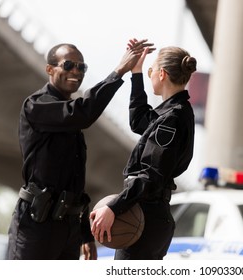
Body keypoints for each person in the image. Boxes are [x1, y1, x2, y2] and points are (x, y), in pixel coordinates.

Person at [7, 39, 154, 260]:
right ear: (50, 69)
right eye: (68, 65)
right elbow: (84, 112)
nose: (76, 71)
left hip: (68, 230)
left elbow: (74, 185)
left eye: (81, 67)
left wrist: (85, 235)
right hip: (36, 226)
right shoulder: (36, 105)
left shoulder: (71, 123)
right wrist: (120, 70)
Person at [90, 43, 197, 260]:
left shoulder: (172, 119)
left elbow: (151, 175)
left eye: (150, 72)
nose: (150, 77)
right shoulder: (172, 113)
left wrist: (114, 207)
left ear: (161, 74)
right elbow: (139, 121)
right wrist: (137, 73)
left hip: (146, 220)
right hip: (151, 219)